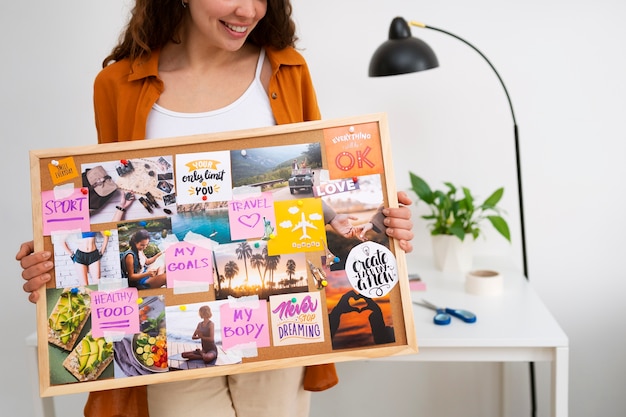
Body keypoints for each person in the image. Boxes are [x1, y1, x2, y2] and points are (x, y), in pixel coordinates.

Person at [16, 1, 414, 416]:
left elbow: (319, 189)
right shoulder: (117, 84)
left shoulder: (286, 69)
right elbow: (115, 196)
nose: (249, 10)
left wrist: (382, 225)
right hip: (175, 329)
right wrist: (58, 256)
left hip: (277, 320)